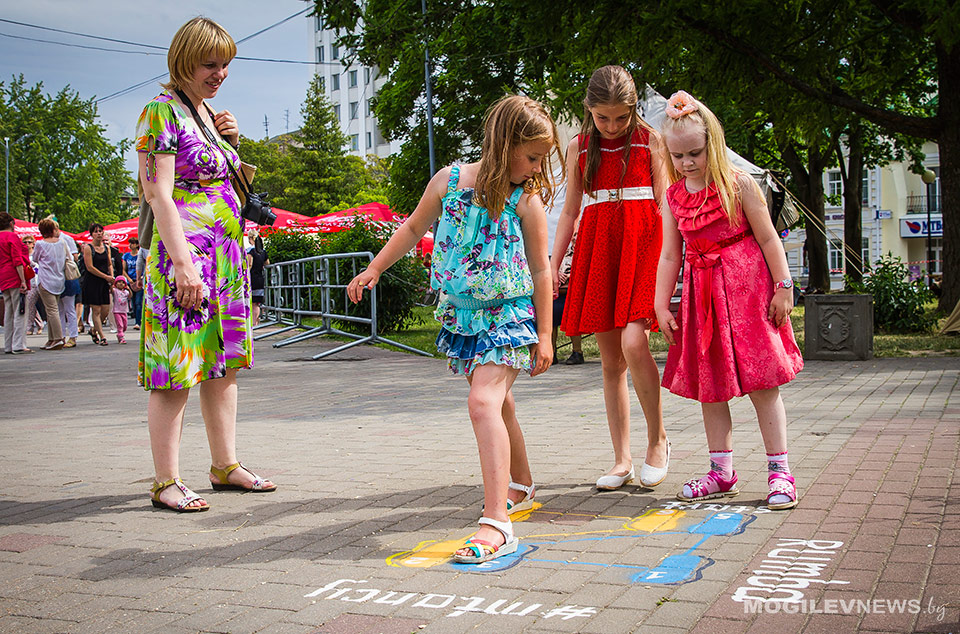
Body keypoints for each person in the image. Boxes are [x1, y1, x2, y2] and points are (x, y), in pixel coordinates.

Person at [348, 95, 561, 563]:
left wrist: (546, 335)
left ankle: (496, 523)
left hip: (508, 314)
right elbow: (412, 229)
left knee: (483, 402)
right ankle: (522, 483)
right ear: (504, 144)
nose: (536, 168)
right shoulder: (448, 181)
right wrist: (375, 268)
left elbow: (541, 270)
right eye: (531, 157)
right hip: (464, 316)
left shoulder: (526, 200)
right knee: (499, 403)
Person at [136, 16, 276, 513]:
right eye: (209, 64)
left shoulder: (207, 113)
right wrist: (183, 264)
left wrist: (231, 142)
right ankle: (166, 481)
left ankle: (224, 465)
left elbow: (222, 180)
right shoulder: (161, 112)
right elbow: (158, 194)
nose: (220, 74)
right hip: (187, 258)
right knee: (176, 368)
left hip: (227, 257)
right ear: (184, 61)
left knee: (222, 364)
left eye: (225, 65)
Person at [654, 91, 803, 510]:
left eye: (695, 153)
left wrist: (784, 286)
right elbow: (670, 255)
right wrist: (661, 304)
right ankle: (722, 473)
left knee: (763, 382)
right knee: (711, 388)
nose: (687, 162)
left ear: (713, 144)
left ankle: (780, 472)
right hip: (703, 300)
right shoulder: (673, 197)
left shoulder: (740, 184)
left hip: (749, 294)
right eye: (678, 155)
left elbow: (769, 238)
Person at [550, 65, 670, 491]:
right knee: (610, 362)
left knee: (634, 342)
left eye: (621, 117)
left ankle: (658, 440)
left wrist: (675, 262)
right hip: (599, 246)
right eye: (603, 117)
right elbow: (570, 210)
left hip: (644, 245)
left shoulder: (650, 140)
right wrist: (553, 264)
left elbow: (666, 203)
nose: (613, 126)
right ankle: (622, 460)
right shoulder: (579, 147)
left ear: (634, 109)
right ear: (588, 108)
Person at [30, 219, 66, 351]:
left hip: (45, 280)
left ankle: (58, 338)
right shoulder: (62, 242)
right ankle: (52, 339)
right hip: (59, 279)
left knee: (51, 310)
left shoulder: (40, 244)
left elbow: (35, 258)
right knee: (53, 309)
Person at [551, 223, 584, 365]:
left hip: (577, 294)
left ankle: (577, 352)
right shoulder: (560, 254)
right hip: (559, 293)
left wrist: (571, 275)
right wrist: (556, 274)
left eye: (577, 235)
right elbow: (549, 269)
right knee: (550, 311)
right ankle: (552, 353)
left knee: (572, 310)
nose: (574, 238)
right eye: (573, 235)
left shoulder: (584, 252)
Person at [0, 213, 31, 354]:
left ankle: (8, 344)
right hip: (14, 275)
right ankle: (18, 344)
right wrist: (23, 280)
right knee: (20, 310)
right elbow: (17, 260)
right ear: (11, 223)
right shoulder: (12, 237)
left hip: (3, 276)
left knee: (8, 311)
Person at [49, 217, 80, 348]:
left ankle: (73, 336)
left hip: (67, 277)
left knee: (69, 308)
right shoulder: (48, 241)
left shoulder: (65, 239)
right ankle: (60, 336)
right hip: (55, 277)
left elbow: (74, 257)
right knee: (59, 309)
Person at [81, 223, 113, 346]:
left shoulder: (106, 248)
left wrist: (111, 277)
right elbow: (89, 267)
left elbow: (109, 264)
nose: (99, 233)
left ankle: (94, 330)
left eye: (100, 231)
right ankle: (102, 336)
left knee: (105, 309)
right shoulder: (88, 248)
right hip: (92, 281)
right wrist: (105, 276)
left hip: (104, 282)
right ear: (92, 234)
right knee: (96, 310)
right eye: (96, 231)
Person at [21, 235, 47, 336]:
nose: (27, 244)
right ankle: (30, 327)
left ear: (33, 244)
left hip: (40, 281)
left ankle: (40, 324)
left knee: (44, 305)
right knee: (29, 304)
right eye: (25, 242)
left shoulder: (36, 254)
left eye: (29, 242)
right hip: (29, 283)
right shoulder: (22, 255)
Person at [245, 232, 268, 326]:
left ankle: (252, 322)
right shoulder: (263, 251)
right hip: (260, 278)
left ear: (250, 239)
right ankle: (256, 321)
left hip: (252, 278)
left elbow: (249, 264)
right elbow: (267, 263)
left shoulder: (250, 251)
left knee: (251, 302)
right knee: (257, 303)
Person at [123, 237, 143, 329]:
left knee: (138, 302)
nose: (130, 245)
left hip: (139, 280)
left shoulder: (140, 254)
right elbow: (123, 269)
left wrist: (141, 278)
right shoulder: (126, 256)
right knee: (133, 302)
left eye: (132, 243)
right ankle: (136, 318)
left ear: (137, 244)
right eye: (130, 243)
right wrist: (128, 279)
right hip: (130, 281)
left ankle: (138, 322)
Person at [112, 276, 131, 344]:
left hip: (124, 311)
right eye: (119, 282)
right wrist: (111, 284)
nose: (121, 284)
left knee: (125, 326)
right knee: (120, 325)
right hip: (117, 311)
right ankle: (121, 337)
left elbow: (130, 296)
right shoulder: (115, 291)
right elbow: (111, 290)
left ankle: (120, 334)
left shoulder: (126, 292)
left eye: (123, 282)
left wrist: (129, 290)